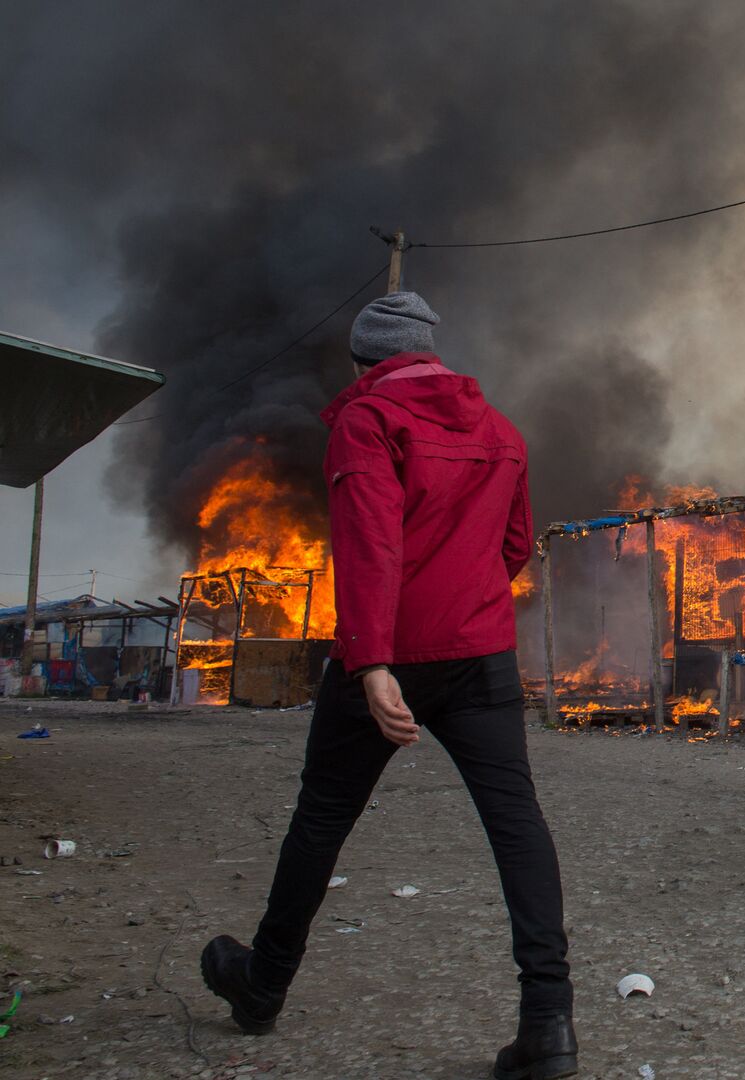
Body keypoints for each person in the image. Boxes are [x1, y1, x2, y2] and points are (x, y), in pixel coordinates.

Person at [199, 292, 578, 1080]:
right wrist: (464, 595)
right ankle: (549, 1025)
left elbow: (368, 546)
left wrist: (373, 663)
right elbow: (514, 546)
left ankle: (263, 987)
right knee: (518, 825)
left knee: (322, 818)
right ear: (431, 354)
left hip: (389, 657)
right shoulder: (501, 431)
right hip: (481, 657)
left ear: (365, 362)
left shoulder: (367, 422)